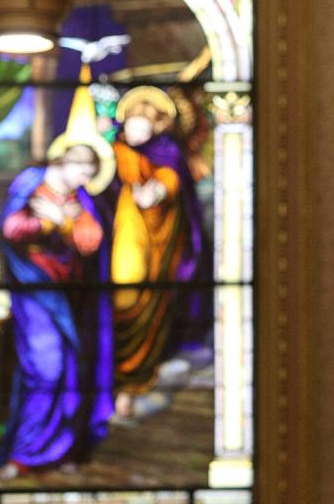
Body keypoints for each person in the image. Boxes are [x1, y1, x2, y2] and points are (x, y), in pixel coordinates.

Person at [0, 143, 114, 479]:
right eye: (81, 172)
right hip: (34, 294)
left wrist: (65, 222)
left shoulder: (81, 198)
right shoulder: (32, 183)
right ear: (63, 163)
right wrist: (50, 224)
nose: (84, 180)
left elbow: (91, 240)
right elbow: (11, 229)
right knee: (47, 369)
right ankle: (24, 452)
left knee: (71, 370)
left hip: (70, 298)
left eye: (89, 175)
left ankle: (61, 450)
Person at [110, 86, 213, 418]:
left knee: (143, 294)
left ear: (156, 127)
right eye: (131, 125)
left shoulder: (167, 152)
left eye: (143, 126)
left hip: (158, 247)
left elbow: (170, 180)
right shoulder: (114, 150)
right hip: (122, 237)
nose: (135, 131)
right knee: (121, 294)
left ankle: (138, 379)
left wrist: (157, 190)